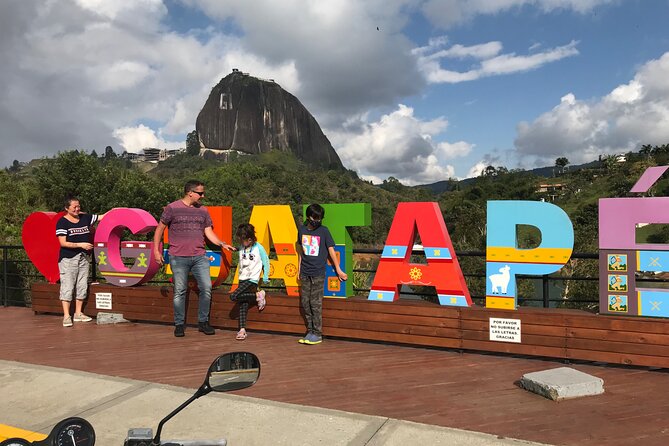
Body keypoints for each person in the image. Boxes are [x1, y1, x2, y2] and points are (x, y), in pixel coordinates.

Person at [153, 180, 235, 337]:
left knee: (206, 288)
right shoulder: (172, 208)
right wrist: (157, 252)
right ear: (190, 192)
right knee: (180, 291)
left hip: (199, 256)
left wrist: (222, 243)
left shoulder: (203, 211)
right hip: (178, 257)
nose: (203, 196)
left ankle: (203, 322)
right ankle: (179, 324)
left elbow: (208, 231)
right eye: (200, 193)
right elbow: (159, 229)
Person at [296, 203, 347, 345]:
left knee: (315, 303)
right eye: (315, 217)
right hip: (305, 272)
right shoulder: (301, 230)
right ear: (308, 216)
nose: (317, 220)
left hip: (318, 272)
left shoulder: (324, 231)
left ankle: (317, 333)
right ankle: (310, 331)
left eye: (319, 218)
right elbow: (300, 250)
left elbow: (331, 250)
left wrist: (338, 269)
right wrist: (299, 269)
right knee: (305, 303)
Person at [56, 195, 105, 327]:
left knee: (82, 284)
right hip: (68, 258)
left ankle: (78, 313)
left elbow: (102, 217)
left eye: (79, 206)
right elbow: (63, 243)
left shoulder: (85, 218)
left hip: (84, 257)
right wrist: (81, 245)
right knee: (68, 285)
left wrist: (116, 210)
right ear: (67, 208)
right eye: (74, 207)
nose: (78, 209)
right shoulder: (62, 222)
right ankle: (66, 315)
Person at [229, 223, 270, 340]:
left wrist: (265, 276)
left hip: (252, 279)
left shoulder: (259, 248)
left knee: (233, 296)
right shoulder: (242, 247)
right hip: (242, 278)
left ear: (250, 239)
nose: (241, 242)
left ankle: (258, 295)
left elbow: (266, 261)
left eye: (243, 240)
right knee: (243, 304)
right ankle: (242, 330)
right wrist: (232, 248)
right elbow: (240, 250)